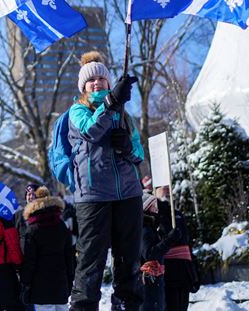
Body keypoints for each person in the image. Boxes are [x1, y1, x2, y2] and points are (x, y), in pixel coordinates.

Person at [67, 51, 144, 311]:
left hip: (128, 195)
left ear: (110, 82)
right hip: (94, 197)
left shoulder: (124, 115)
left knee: (129, 262)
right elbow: (90, 130)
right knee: (91, 263)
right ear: (83, 86)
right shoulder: (76, 111)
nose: (97, 83)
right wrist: (110, 102)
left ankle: (126, 306)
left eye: (102, 78)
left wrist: (126, 149)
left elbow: (139, 155)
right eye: (91, 80)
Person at [20, 186, 73, 311]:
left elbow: (29, 262)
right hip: (60, 283)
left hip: (40, 287)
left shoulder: (32, 229)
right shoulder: (61, 225)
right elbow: (69, 256)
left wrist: (25, 284)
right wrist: (70, 280)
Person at [139, 193, 180, 311]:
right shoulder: (144, 228)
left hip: (153, 282)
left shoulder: (150, 228)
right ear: (146, 208)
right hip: (148, 282)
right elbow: (150, 253)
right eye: (153, 206)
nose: (156, 210)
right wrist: (170, 240)